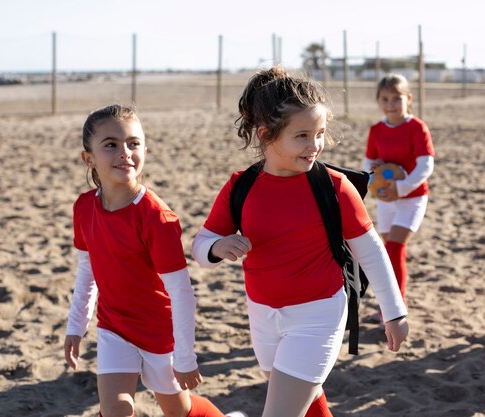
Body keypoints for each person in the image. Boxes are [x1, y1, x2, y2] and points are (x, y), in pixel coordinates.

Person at [191, 67, 409, 417]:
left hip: (318, 316)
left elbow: (371, 252)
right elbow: (200, 244)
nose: (315, 146)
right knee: (306, 402)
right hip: (262, 316)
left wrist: (394, 311)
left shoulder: (335, 187)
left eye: (320, 134)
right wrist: (216, 248)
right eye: (303, 136)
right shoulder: (240, 187)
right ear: (266, 134)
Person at [63, 104, 246, 417]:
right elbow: (87, 272)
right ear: (88, 158)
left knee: (179, 411)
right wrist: (75, 326)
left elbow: (181, 293)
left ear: (144, 149)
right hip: (114, 328)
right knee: (116, 409)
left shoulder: (155, 217)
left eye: (133, 144)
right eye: (111, 145)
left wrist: (186, 359)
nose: (124, 153)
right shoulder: (83, 208)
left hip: (161, 335)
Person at [363, 74, 436, 301]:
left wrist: (402, 187)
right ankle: (390, 304)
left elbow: (426, 165)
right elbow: (368, 163)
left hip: (412, 197)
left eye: (396, 98)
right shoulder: (376, 130)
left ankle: (396, 304)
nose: (390, 104)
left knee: (395, 247)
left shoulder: (417, 127)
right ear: (378, 101)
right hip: (386, 198)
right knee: (388, 251)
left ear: (409, 99)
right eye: (384, 99)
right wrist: (374, 170)